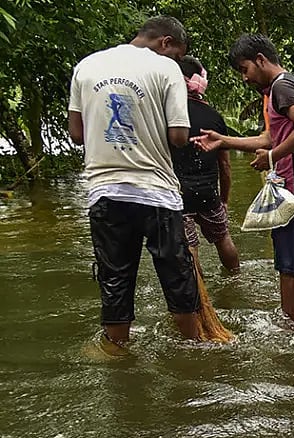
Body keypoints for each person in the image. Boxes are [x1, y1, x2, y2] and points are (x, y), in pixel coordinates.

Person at [68, 15, 200, 348]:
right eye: (176, 54)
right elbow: (179, 135)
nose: (175, 61)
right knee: (177, 277)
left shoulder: (86, 66)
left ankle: (118, 351)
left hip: (104, 191)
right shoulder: (165, 68)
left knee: (114, 280)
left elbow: (76, 134)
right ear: (165, 42)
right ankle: (195, 348)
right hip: (156, 193)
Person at [194, 33, 294, 321]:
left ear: (260, 60)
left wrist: (272, 158)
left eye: (244, 69)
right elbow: (272, 137)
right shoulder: (292, 85)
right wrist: (224, 141)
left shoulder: (281, 88)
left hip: (293, 194)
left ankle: (288, 327)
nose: (244, 78)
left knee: (289, 264)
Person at [172, 55, 239, 273]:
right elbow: (226, 167)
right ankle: (236, 278)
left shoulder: (169, 114)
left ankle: (200, 299)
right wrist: (225, 200)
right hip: (209, 193)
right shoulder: (214, 117)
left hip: (178, 194)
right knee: (223, 237)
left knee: (189, 247)